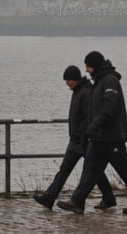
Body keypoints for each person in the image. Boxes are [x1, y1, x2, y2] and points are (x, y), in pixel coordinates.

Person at [58, 50, 127, 216]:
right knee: (90, 169)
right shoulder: (98, 82)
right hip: (99, 137)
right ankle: (77, 201)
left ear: (95, 66)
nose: (86, 70)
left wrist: (93, 126)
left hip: (113, 136)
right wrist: (90, 131)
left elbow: (110, 107)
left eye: (88, 66)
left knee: (124, 169)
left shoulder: (110, 81)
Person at [33, 65, 117, 211]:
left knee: (93, 171)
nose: (67, 83)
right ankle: (49, 197)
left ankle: (107, 197)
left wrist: (82, 133)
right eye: (66, 81)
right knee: (67, 170)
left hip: (83, 139)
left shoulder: (85, 92)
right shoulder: (78, 91)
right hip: (75, 140)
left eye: (69, 80)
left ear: (76, 79)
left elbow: (89, 115)